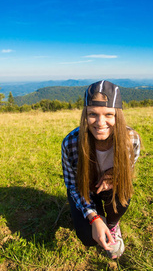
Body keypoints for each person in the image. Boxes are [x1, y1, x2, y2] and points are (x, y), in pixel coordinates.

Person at [61, 80, 141, 259]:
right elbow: (73, 186)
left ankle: (112, 224)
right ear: (85, 115)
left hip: (110, 188)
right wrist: (94, 218)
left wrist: (114, 176)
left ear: (117, 116)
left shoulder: (132, 141)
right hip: (85, 189)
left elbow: (128, 172)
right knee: (88, 238)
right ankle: (98, 218)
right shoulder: (71, 143)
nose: (100, 122)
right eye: (92, 114)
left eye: (108, 115)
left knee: (122, 194)